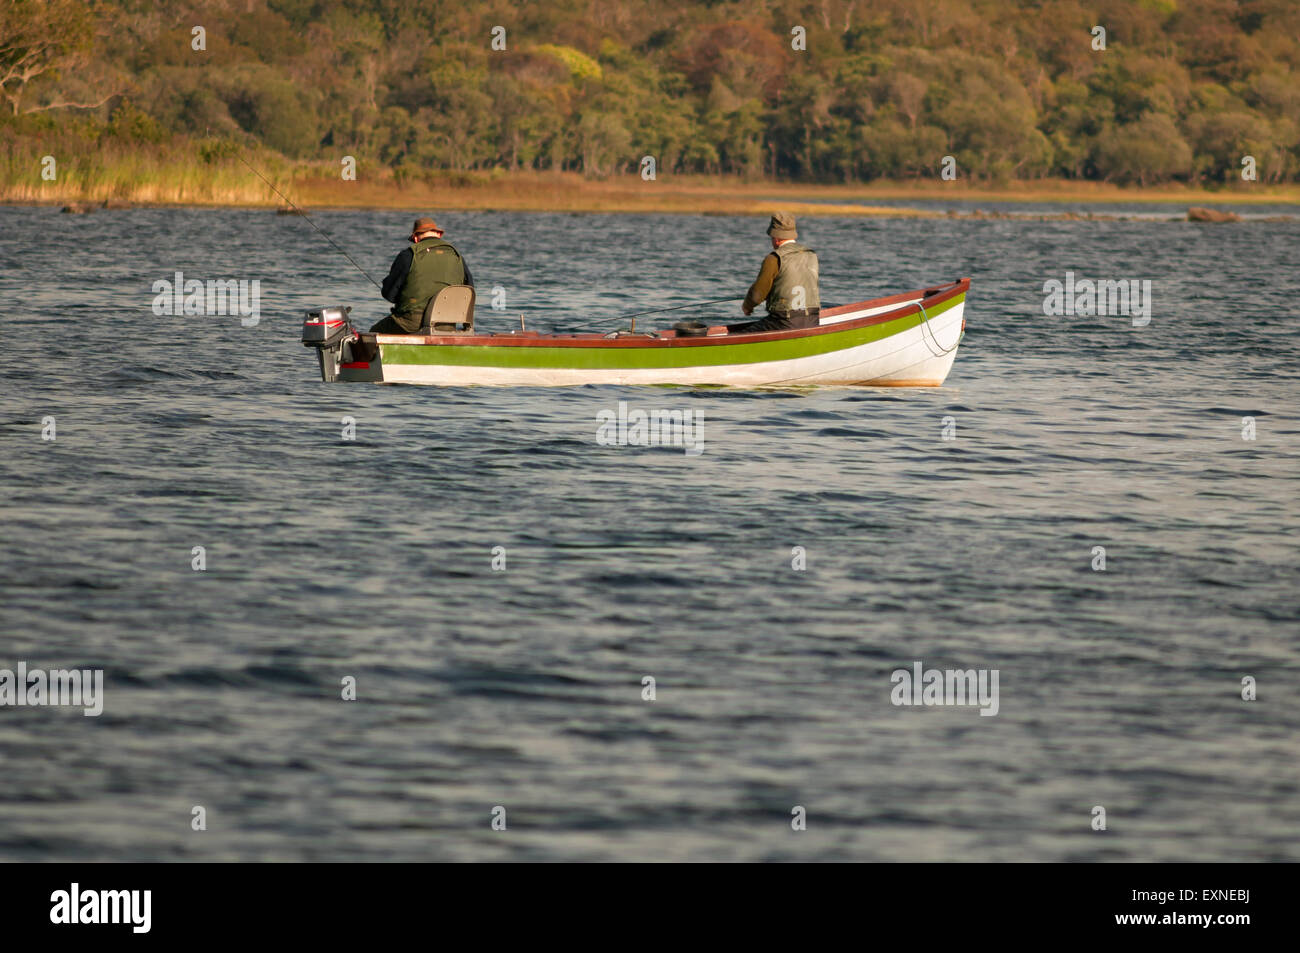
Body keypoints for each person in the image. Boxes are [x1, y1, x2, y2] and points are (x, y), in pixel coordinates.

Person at [370, 216, 475, 333]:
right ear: (439, 235)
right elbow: (469, 290)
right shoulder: (457, 256)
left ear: (415, 238)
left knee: (374, 332)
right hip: (447, 324)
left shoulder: (408, 255)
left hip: (411, 323)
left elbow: (389, 295)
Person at [727, 212, 820, 333]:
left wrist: (747, 306)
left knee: (736, 335)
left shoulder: (774, 258)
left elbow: (757, 295)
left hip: (783, 322)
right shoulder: (811, 255)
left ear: (776, 238)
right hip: (812, 320)